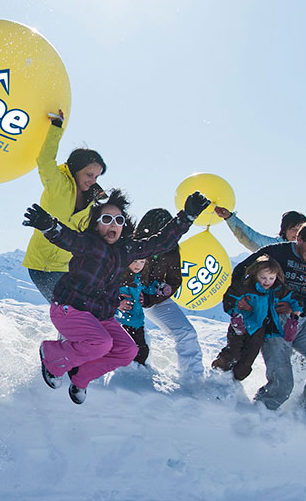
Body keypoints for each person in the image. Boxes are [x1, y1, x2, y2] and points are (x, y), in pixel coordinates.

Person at [23, 189, 210, 404]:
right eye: (106, 219)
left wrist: (186, 217)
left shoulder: (127, 251)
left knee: (128, 350)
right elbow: (68, 239)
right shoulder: (89, 244)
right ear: (96, 224)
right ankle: (51, 355)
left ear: (124, 226)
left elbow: (159, 243)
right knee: (101, 343)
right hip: (69, 309)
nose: (113, 224)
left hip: (100, 315)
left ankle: (80, 377)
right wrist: (50, 226)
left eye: (118, 220)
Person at [228, 223, 306, 430]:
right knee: (282, 385)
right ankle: (259, 419)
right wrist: (246, 299)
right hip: (273, 324)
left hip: (298, 320)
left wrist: (299, 307)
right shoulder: (275, 253)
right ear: (299, 239)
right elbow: (239, 272)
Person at [22, 109, 105, 302]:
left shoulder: (93, 202)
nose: (93, 181)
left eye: (97, 177)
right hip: (42, 265)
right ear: (76, 169)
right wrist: (56, 127)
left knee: (81, 310)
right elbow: (45, 160)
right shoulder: (57, 183)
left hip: (68, 268)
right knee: (68, 309)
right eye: (89, 174)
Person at [129, 208, 205, 385]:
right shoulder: (134, 245)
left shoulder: (171, 251)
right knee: (135, 336)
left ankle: (194, 381)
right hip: (127, 297)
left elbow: (175, 280)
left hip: (153, 298)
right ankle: (134, 378)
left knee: (187, 333)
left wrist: (153, 297)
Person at [211, 254, 302, 382]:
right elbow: (230, 296)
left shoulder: (277, 289)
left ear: (276, 276)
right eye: (263, 277)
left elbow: (294, 299)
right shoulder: (246, 286)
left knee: (246, 362)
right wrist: (235, 312)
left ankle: (234, 381)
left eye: (271, 278)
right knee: (233, 353)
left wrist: (294, 317)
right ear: (255, 274)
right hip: (240, 325)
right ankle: (218, 371)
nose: (267, 282)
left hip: (259, 329)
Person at [113, 258, 160, 366]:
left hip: (137, 321)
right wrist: (117, 302)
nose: (138, 265)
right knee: (125, 349)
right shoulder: (119, 277)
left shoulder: (139, 277)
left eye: (142, 262)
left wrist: (158, 287)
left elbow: (148, 287)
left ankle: (138, 371)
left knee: (142, 351)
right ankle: (125, 373)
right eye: (134, 261)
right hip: (122, 320)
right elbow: (108, 293)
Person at [213, 205, 306, 254]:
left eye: (302, 229)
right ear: (285, 230)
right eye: (294, 229)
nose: (298, 233)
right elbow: (248, 237)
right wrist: (230, 218)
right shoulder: (274, 247)